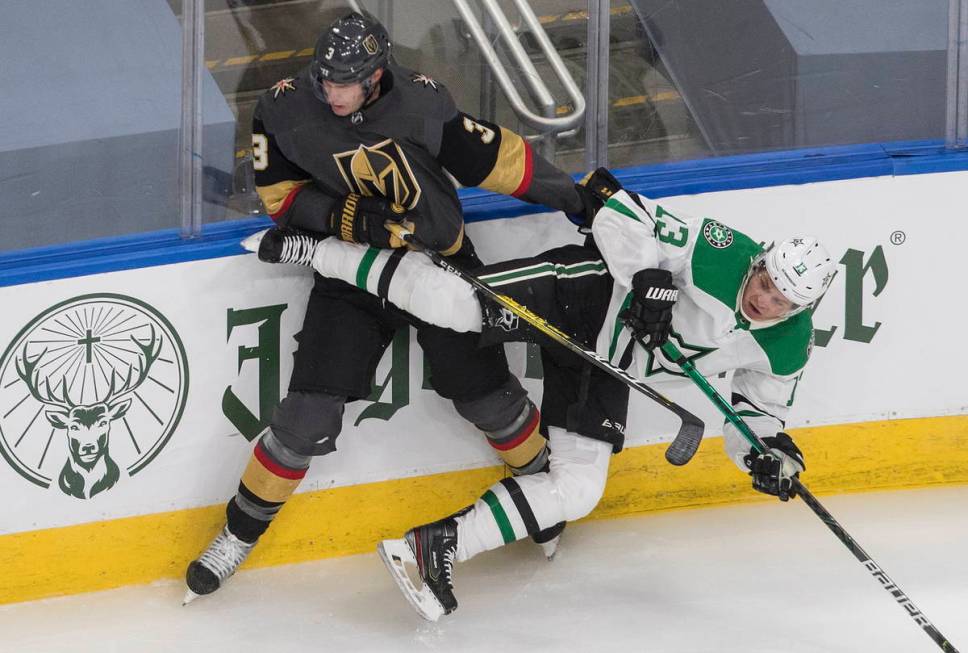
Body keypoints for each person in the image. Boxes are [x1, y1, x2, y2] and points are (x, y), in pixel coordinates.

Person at [252, 183, 836, 621]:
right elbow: (621, 211)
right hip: (585, 297)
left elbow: (756, 412)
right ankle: (317, 251)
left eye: (782, 302)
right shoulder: (719, 249)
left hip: (611, 366)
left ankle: (435, 545)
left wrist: (767, 453)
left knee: (579, 489)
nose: (764, 301)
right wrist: (649, 279)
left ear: (802, 310)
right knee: (454, 304)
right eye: (765, 283)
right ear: (759, 261)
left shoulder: (786, 347)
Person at [184, 12, 602, 604]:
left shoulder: (421, 104)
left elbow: (501, 161)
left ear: (376, 76)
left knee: (490, 399)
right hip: (355, 271)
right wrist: (354, 221)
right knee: (306, 418)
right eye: (323, 78)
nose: (329, 92)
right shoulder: (283, 108)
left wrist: (576, 197)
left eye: (344, 82)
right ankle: (235, 535)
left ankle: (543, 495)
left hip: (441, 265)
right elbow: (281, 201)